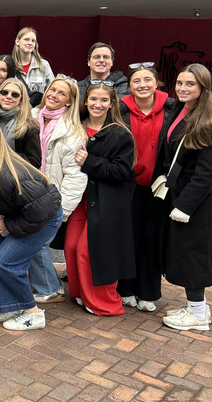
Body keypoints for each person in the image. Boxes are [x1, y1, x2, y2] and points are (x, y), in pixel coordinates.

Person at [0, 119, 62, 331]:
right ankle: (10, 305)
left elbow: (40, 210)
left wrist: (9, 225)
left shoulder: (8, 172)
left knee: (6, 262)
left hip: (43, 218)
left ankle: (33, 313)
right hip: (23, 214)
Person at [68, 82, 135, 316]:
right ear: (85, 101)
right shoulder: (75, 126)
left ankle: (104, 303)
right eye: (93, 99)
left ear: (112, 103)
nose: (98, 104)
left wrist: (89, 162)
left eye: (103, 100)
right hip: (79, 199)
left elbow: (120, 171)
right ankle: (80, 294)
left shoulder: (119, 133)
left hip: (104, 202)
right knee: (71, 246)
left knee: (89, 251)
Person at [158, 64, 212, 331]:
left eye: (190, 84)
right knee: (183, 252)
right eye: (180, 83)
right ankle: (196, 307)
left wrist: (185, 205)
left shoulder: (208, 120)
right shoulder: (181, 111)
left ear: (202, 87)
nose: (182, 88)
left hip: (195, 202)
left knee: (193, 256)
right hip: (179, 194)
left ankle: (199, 315)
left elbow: (207, 172)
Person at [118, 62, 175, 313]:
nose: (142, 85)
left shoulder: (173, 109)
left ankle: (149, 292)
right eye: (137, 81)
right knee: (128, 237)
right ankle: (126, 288)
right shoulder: (120, 110)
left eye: (147, 80)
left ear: (156, 83)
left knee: (152, 238)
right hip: (128, 185)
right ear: (129, 86)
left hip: (158, 187)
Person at [31, 75, 87, 304]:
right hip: (28, 194)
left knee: (36, 241)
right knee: (31, 240)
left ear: (70, 102)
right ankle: (44, 284)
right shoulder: (31, 118)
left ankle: (50, 288)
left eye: (61, 93)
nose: (53, 95)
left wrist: (62, 209)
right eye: (52, 90)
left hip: (51, 199)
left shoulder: (73, 133)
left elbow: (75, 176)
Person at [0, 78, 41, 168]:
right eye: (4, 92)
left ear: (21, 100)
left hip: (15, 178)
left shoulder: (29, 127)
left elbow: (35, 161)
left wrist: (4, 155)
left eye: (15, 94)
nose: (8, 96)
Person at [11, 27, 54, 107]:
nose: (30, 43)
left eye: (33, 41)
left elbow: (52, 90)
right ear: (17, 41)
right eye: (26, 39)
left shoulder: (43, 65)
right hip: (15, 112)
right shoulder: (9, 65)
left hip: (37, 113)